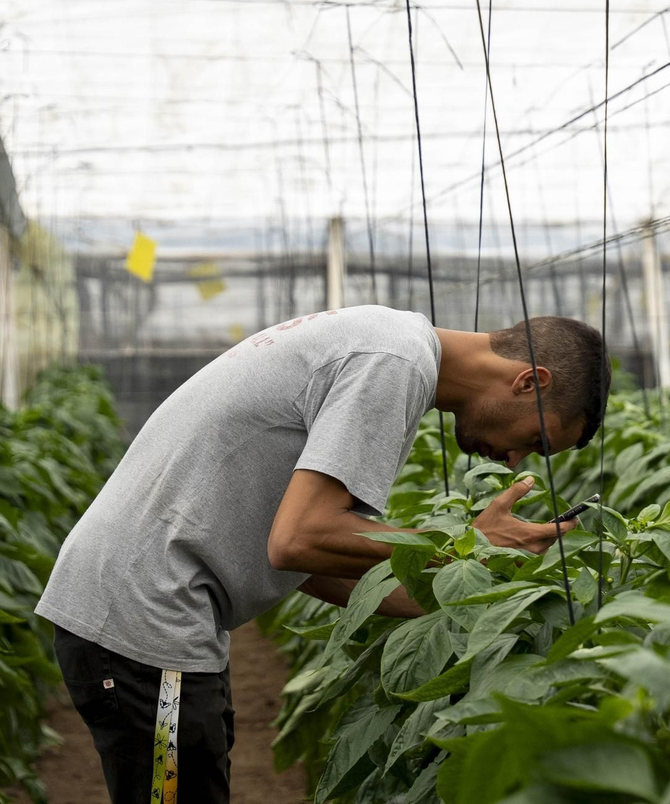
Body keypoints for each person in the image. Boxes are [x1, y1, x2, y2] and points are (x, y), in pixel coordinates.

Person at [35, 304, 608, 804]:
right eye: (534, 441)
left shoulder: (389, 345)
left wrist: (466, 600)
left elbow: (299, 552)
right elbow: (300, 538)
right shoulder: (395, 363)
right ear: (528, 381)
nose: (514, 462)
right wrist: (468, 547)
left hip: (151, 612)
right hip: (143, 615)